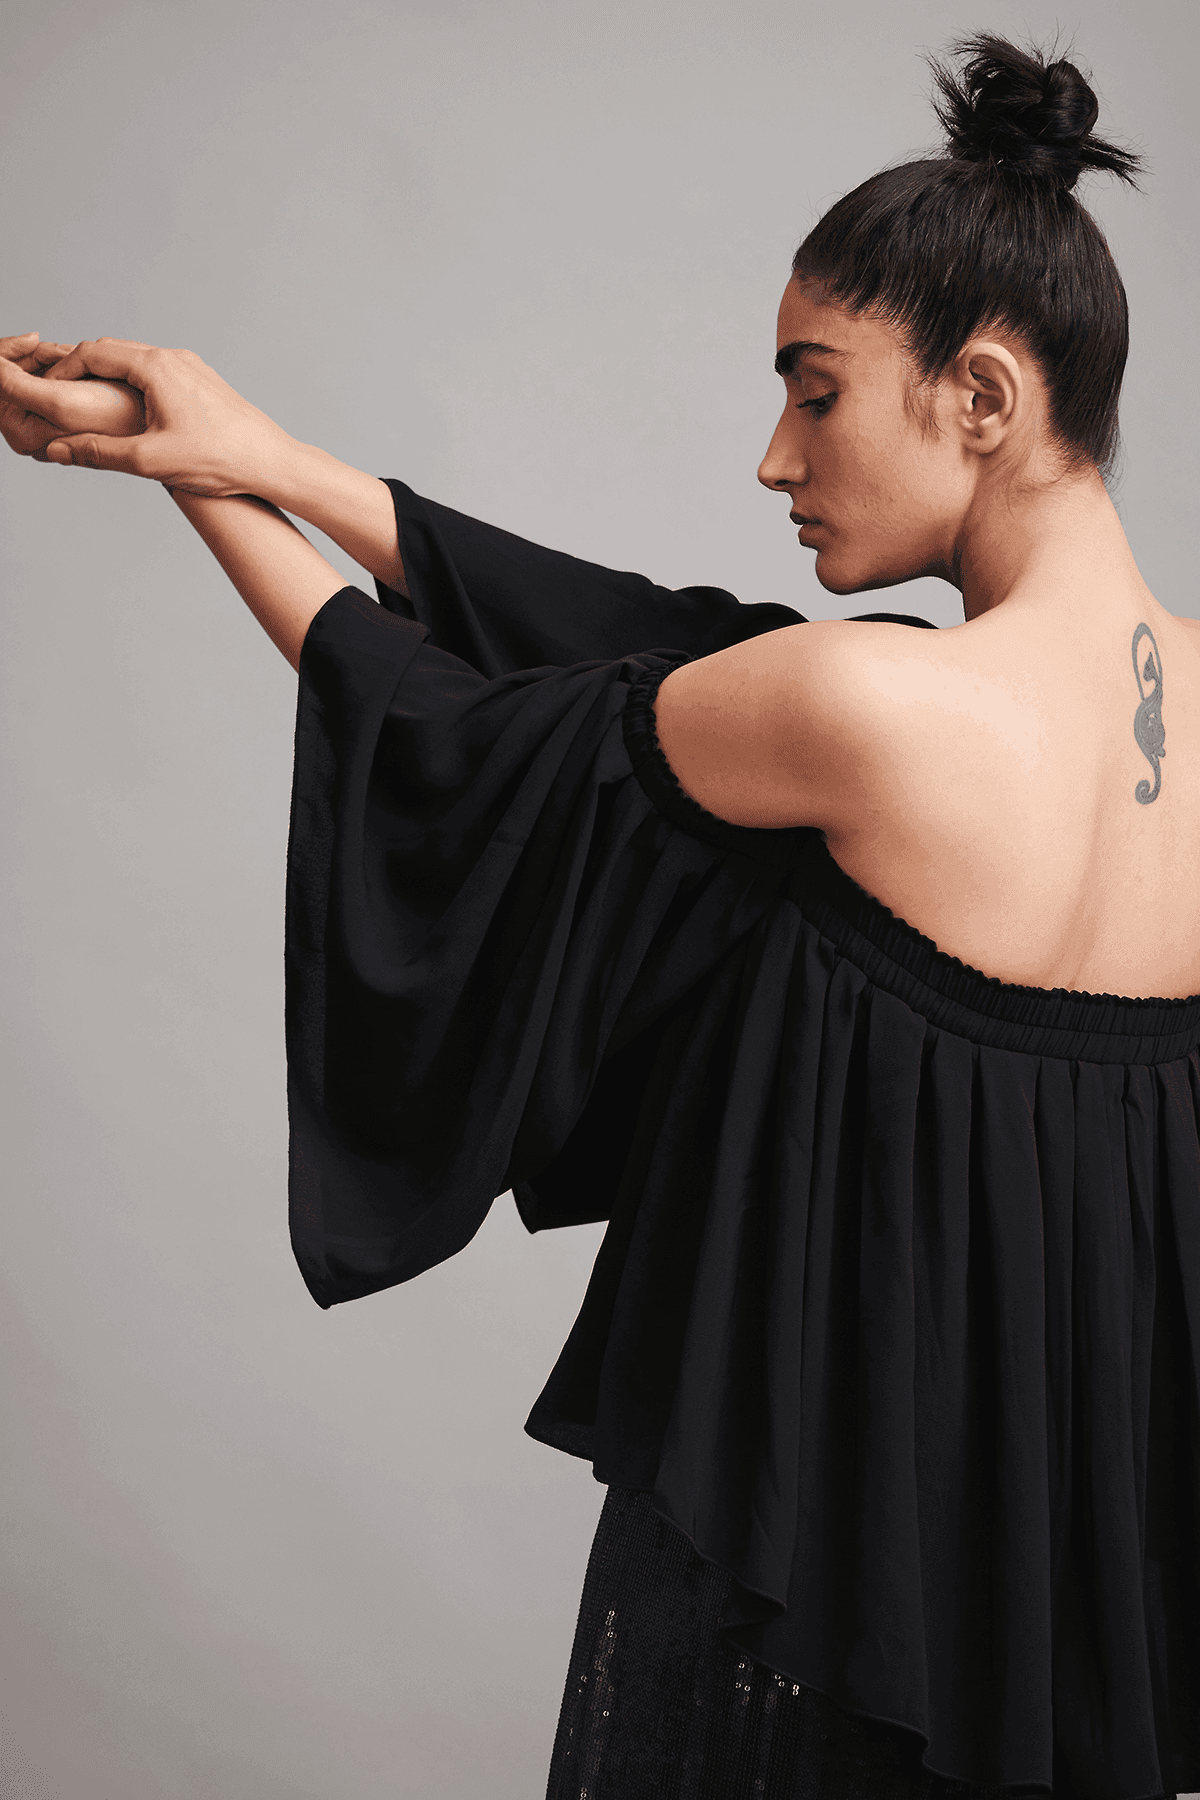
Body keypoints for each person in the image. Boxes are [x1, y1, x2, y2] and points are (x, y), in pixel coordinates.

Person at [2, 30, 1197, 1800]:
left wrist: (192, 479)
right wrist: (281, 458)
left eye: (815, 393)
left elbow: (459, 739)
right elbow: (658, 638)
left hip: (811, 1575)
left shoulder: (870, 712)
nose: (776, 457)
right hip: (1053, 1614)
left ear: (983, 396)